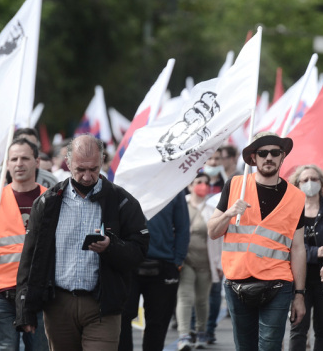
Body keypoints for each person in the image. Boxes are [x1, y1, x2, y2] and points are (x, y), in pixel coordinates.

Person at [15, 134, 150, 350]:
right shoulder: (48, 202)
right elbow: (31, 258)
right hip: (58, 305)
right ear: (67, 163)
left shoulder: (122, 201)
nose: (87, 177)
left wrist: (111, 247)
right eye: (80, 170)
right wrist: (25, 309)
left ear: (102, 160)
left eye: (93, 169)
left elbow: (139, 251)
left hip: (102, 306)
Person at [207, 131, 307, 351]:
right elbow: (213, 232)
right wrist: (228, 213)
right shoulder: (234, 185)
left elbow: (298, 248)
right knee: (245, 347)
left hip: (278, 283)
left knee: (270, 346)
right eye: (262, 153)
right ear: (253, 158)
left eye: (274, 152)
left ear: (282, 157)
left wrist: (299, 295)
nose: (268, 157)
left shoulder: (297, 197)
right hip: (237, 283)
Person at [0, 138, 49, 351]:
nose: (19, 163)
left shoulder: (49, 199)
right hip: (2, 293)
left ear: (37, 162)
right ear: (7, 164)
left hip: (38, 292)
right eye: (13, 159)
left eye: (25, 158)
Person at [119, 190, 189, 351]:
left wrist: (177, 261)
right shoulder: (125, 184)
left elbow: (183, 226)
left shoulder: (174, 189)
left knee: (157, 323)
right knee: (122, 318)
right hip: (128, 264)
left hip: (164, 266)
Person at [288, 164, 323, 351]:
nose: (310, 183)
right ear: (298, 184)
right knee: (298, 328)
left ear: (322, 183)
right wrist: (313, 253)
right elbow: (288, 243)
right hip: (299, 279)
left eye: (314, 179)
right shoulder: (292, 211)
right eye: (305, 180)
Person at [176, 173, 223, 350]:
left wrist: (219, 264)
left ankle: (201, 331)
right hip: (186, 260)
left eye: (206, 182)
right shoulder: (181, 205)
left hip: (206, 262)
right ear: (190, 186)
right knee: (185, 297)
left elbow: (219, 239)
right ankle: (184, 335)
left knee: (202, 300)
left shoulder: (213, 209)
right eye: (199, 182)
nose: (203, 185)